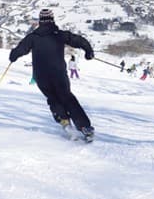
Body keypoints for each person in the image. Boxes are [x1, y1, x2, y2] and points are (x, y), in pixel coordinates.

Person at [9, 9, 96, 143]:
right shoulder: (59, 35)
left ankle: (65, 123)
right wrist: (88, 51)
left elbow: (20, 50)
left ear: (40, 21)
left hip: (41, 75)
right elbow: (79, 40)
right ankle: (85, 127)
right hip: (58, 74)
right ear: (52, 20)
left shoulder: (33, 37)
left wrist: (13, 56)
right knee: (67, 97)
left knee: (53, 98)